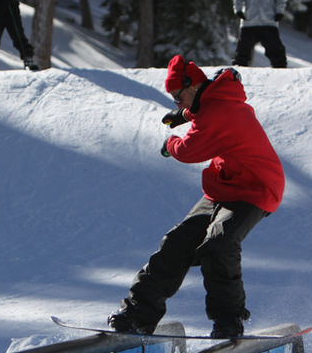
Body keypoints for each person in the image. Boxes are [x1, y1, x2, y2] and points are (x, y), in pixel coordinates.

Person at [108, 55, 286, 338]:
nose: (178, 104)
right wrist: (181, 115)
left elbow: (189, 150)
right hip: (225, 185)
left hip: (257, 188)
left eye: (179, 97)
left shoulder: (220, 111)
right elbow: (200, 108)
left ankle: (229, 319)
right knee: (176, 243)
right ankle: (136, 314)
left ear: (193, 85)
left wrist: (170, 143)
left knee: (219, 243)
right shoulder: (212, 97)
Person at [232, 0, 288, 68]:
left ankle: (282, 78)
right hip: (249, 20)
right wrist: (238, 9)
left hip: (269, 20)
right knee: (241, 56)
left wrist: (279, 11)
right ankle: (238, 80)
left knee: (278, 57)